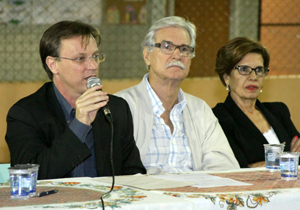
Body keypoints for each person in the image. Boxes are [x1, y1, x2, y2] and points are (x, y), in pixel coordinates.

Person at [5, 20, 146, 179]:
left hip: (106, 202)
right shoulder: (25, 114)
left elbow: (134, 173)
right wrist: (79, 125)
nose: (93, 65)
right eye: (80, 58)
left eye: (95, 56)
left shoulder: (115, 108)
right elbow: (31, 176)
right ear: (53, 65)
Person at [115, 16, 239, 174]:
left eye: (184, 49)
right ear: (147, 56)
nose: (176, 55)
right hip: (144, 195)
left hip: (194, 194)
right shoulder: (122, 106)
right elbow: (115, 170)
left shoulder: (200, 109)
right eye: (167, 46)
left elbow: (224, 164)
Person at [212, 37, 300, 168]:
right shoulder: (218, 118)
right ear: (227, 77)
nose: (253, 77)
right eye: (244, 69)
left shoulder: (279, 111)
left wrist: (264, 164)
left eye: (259, 70)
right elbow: (238, 168)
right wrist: (289, 159)